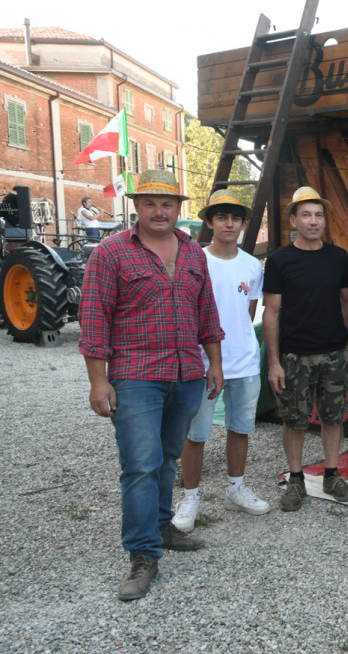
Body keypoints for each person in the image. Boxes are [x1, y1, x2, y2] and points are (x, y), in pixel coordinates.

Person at [79, 169, 223, 601]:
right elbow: (94, 319)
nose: (159, 211)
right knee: (141, 463)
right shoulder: (111, 253)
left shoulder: (193, 252)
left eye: (167, 204)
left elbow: (207, 312)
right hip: (136, 376)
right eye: (150, 203)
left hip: (186, 373)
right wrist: (98, 381)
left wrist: (214, 363)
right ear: (137, 207)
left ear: (177, 208)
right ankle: (142, 554)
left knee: (167, 457)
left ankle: (162, 526)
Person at [171, 190, 270, 533]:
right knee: (196, 433)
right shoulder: (195, 260)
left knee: (240, 428)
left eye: (235, 218)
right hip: (202, 362)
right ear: (210, 222)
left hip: (243, 360)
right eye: (221, 217)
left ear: (243, 224)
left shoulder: (251, 265)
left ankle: (235, 489)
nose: (229, 224)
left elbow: (249, 312)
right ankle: (190, 497)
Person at [263, 186, 348, 512]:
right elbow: (271, 312)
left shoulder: (338, 257)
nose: (313, 221)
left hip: (333, 352)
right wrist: (274, 361)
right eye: (306, 215)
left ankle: (332, 474)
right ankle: (296, 479)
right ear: (293, 220)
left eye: (318, 215)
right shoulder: (279, 260)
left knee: (333, 416)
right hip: (295, 355)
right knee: (295, 420)